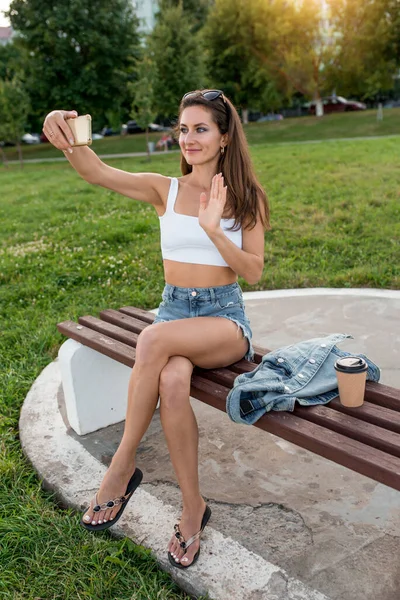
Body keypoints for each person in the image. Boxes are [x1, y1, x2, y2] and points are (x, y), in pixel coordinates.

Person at [42, 89, 270, 569]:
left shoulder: (247, 198)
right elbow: (94, 171)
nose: (189, 139)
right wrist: (66, 131)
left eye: (201, 129)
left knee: (151, 338)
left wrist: (213, 229)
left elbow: (252, 271)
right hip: (173, 313)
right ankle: (193, 510)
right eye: (183, 129)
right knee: (170, 377)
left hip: (222, 320)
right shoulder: (162, 188)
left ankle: (121, 468)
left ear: (225, 137)